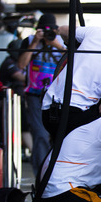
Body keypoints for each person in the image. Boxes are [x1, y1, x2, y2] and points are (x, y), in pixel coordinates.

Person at [16, 13, 65, 175]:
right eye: (45, 31)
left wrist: (56, 44)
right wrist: (36, 41)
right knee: (40, 135)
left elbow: (73, 63)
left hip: (57, 97)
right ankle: (42, 175)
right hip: (35, 95)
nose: (47, 34)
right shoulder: (30, 41)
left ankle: (56, 172)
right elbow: (21, 65)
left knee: (60, 135)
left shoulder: (62, 43)